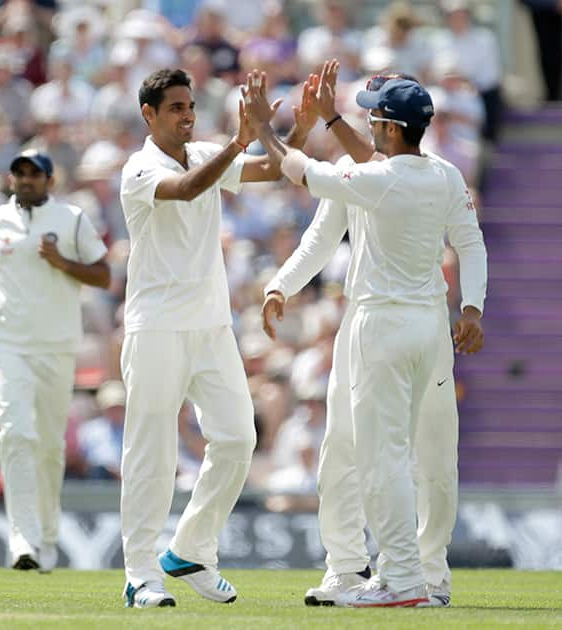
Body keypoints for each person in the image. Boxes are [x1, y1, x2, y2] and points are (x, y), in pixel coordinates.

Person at [244, 71, 484, 607]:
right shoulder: (437, 174)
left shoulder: (372, 177)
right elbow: (322, 236)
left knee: (404, 455)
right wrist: (281, 284)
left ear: (391, 128)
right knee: (346, 450)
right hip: (398, 322)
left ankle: (411, 576)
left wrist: (264, 126)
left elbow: (301, 170)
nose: (366, 122)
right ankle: (349, 567)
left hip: (388, 324)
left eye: (373, 116)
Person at [117, 68, 308, 609]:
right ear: (149, 114)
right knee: (150, 453)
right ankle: (140, 575)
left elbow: (275, 169)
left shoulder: (205, 151)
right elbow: (185, 189)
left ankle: (192, 548)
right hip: (155, 326)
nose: (187, 115)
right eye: (175, 108)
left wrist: (300, 128)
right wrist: (237, 141)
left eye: (190, 105)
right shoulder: (139, 168)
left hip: (211, 326)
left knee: (237, 439)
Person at [0, 150, 110, 573]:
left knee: (49, 446)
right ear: (11, 179)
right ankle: (22, 539)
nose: (26, 180)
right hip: (8, 341)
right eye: (20, 173)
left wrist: (61, 262)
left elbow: (103, 275)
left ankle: (46, 537)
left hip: (57, 346)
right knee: (16, 433)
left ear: (49, 179)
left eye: (35, 174)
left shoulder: (73, 219)